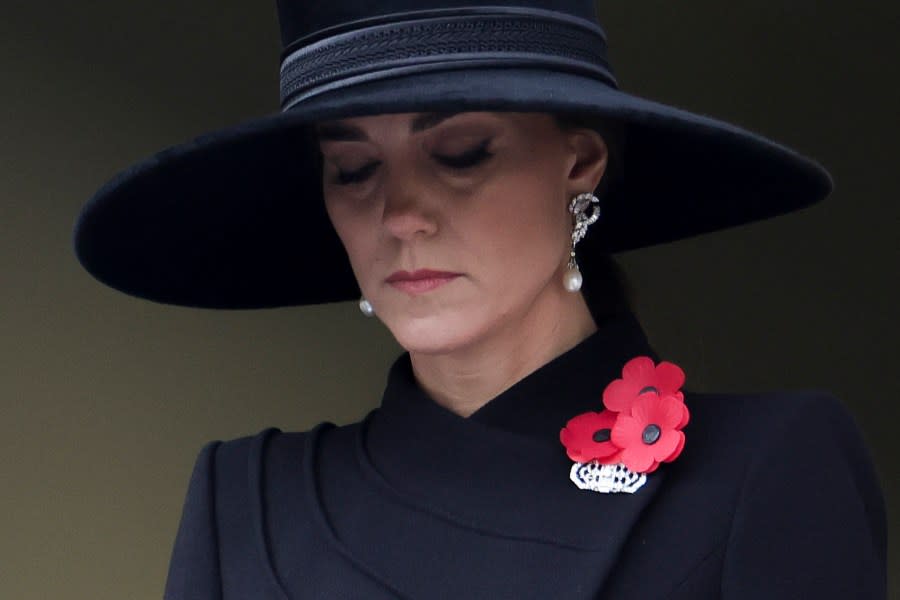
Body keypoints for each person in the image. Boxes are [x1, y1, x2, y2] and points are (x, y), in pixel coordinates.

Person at [73, 2, 887, 598]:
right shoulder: (247, 500)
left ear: (580, 163)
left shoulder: (760, 470)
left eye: (461, 152)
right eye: (352, 170)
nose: (400, 215)